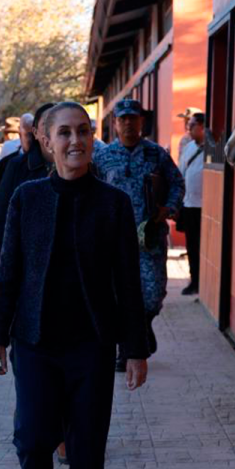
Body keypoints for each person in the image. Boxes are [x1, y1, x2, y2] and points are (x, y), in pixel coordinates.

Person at [0, 101, 149, 469]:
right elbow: (8, 271)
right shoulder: (27, 197)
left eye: (84, 131)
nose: (75, 141)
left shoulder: (114, 204)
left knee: (87, 450)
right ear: (45, 140)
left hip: (93, 346)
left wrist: (135, 348)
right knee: (32, 440)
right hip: (35, 344)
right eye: (64, 133)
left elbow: (127, 283)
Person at [92, 98, 184, 372]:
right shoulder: (103, 157)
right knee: (118, 295)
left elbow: (177, 184)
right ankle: (125, 349)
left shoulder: (156, 155)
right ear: (116, 123)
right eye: (123, 119)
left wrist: (169, 207)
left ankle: (144, 326)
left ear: (141, 122)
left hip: (150, 237)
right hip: (113, 239)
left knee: (153, 294)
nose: (129, 123)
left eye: (134, 118)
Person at [0, 103, 56, 305]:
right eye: (47, 124)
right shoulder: (16, 166)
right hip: (24, 269)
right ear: (36, 132)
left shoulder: (83, 167)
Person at [178, 112, 206, 295]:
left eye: (193, 124)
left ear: (203, 127)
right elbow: (180, 171)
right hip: (189, 205)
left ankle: (203, 282)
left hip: (205, 207)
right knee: (192, 247)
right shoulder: (188, 147)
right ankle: (194, 280)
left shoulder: (213, 149)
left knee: (204, 247)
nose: (189, 127)